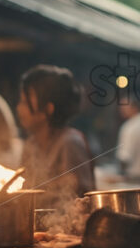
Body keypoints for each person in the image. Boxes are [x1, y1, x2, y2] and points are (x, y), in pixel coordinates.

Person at [17, 65, 95, 207]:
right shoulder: (31, 144)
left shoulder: (69, 143)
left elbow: (79, 198)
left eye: (24, 102)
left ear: (48, 109)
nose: (19, 108)